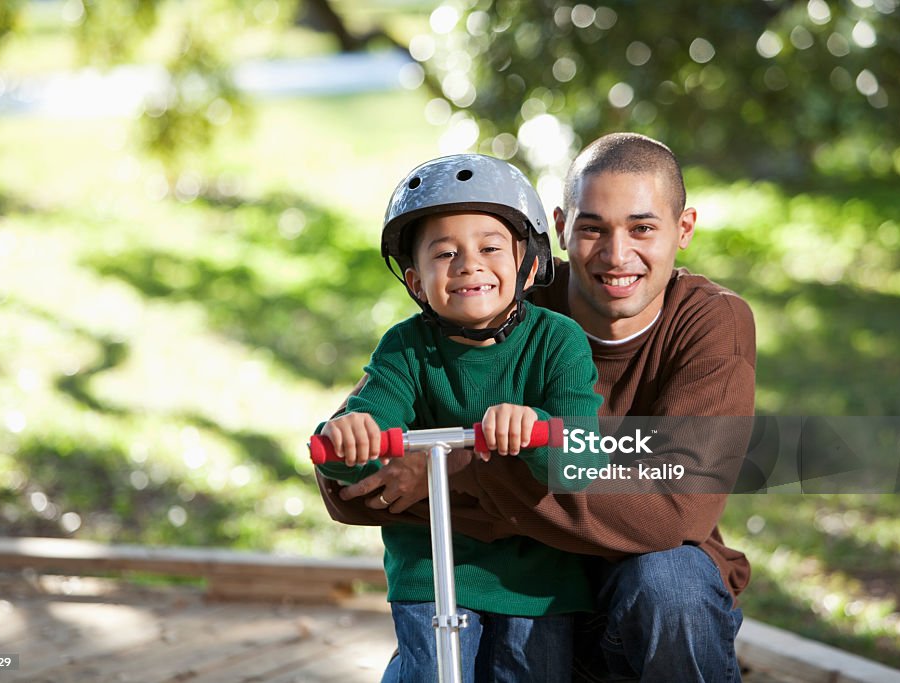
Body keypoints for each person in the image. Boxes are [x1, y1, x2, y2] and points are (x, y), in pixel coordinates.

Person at [316, 133, 756, 683]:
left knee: (674, 580)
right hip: (507, 598)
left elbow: (674, 512)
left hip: (631, 611)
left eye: (642, 228)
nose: (617, 255)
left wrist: (449, 470)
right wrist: (360, 449)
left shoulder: (710, 323)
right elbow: (350, 486)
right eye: (593, 228)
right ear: (561, 227)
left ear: (683, 229)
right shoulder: (494, 297)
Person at [314, 153, 603, 682]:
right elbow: (364, 432)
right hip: (432, 570)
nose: (469, 264)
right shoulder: (405, 349)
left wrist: (534, 427)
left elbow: (581, 459)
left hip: (540, 577)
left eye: (490, 248)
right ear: (416, 282)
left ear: (529, 264)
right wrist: (351, 438)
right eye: (445, 254)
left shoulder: (557, 341)